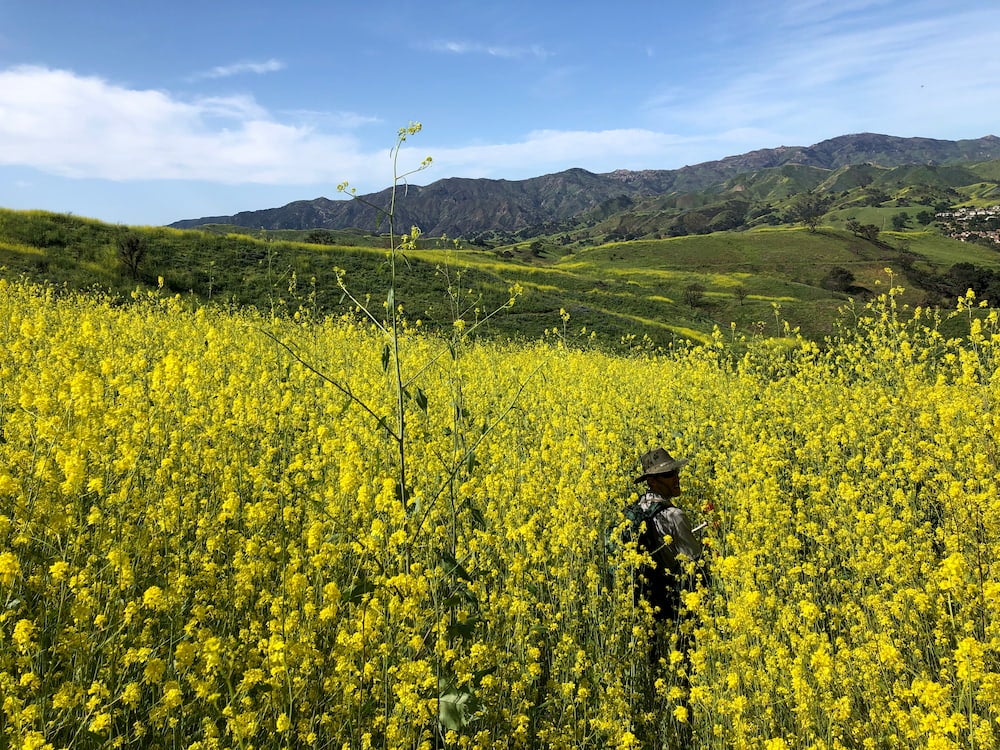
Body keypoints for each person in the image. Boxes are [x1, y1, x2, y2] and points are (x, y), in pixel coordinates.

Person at [625, 446, 705, 624]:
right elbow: (693, 564)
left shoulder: (638, 508)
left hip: (645, 599)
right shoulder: (674, 515)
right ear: (652, 481)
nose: (676, 477)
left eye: (675, 471)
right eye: (668, 474)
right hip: (674, 604)